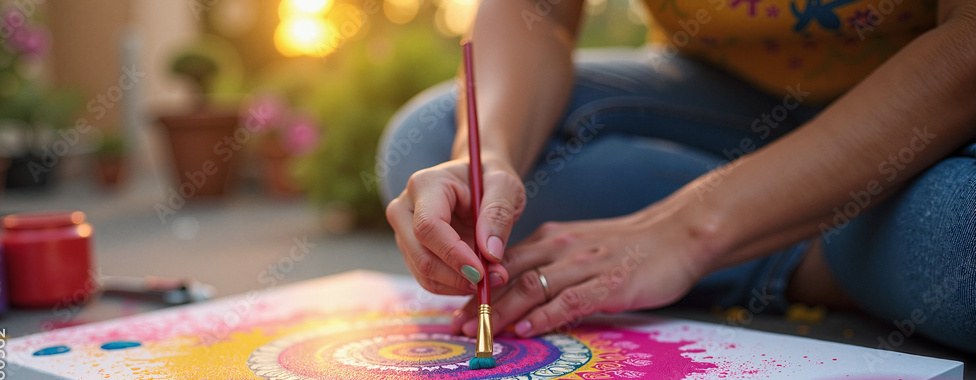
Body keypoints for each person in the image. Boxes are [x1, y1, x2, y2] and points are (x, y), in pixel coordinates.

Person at [379, 0, 976, 353]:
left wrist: (688, 228)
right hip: (715, 105)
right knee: (429, 137)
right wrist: (489, 155)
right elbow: (537, 11)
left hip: (928, 117)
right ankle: (833, 248)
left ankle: (782, 250)